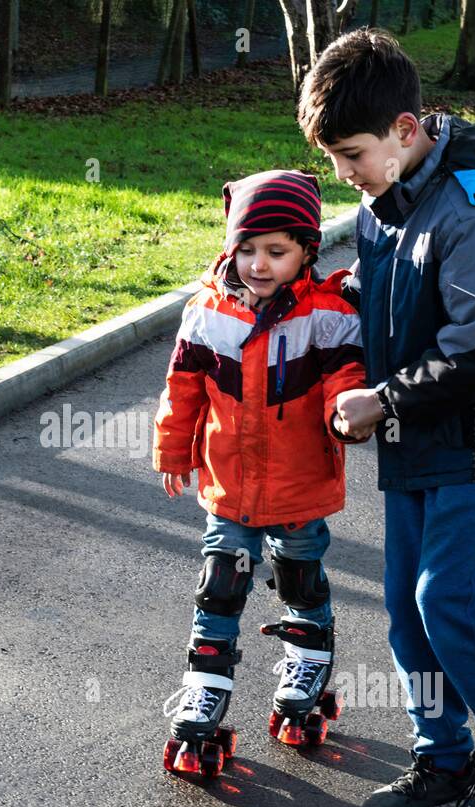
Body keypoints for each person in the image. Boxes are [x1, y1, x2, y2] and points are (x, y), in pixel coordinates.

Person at [301, 27, 475, 807]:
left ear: (406, 131)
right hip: (416, 432)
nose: (343, 174)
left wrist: (381, 400)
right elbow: (400, 288)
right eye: (335, 159)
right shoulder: (387, 198)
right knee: (406, 611)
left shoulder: (474, 208)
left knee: (447, 599)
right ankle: (443, 762)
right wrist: (344, 293)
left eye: (351, 153)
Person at [152, 169, 368, 776]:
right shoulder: (207, 312)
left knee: (299, 577)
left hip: (300, 485)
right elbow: (182, 388)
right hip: (229, 484)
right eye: (246, 249)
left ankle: (307, 661)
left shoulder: (327, 316)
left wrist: (345, 416)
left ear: (306, 250)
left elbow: (344, 380)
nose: (258, 264)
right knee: (220, 583)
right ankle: (205, 688)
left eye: (276, 251)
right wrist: (174, 450)